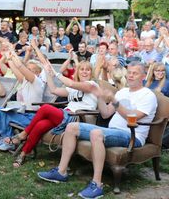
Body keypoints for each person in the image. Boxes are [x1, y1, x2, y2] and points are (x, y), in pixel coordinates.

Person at [38, 62, 157, 199]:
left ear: (143, 76)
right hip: (113, 130)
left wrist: (114, 100)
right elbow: (106, 113)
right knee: (71, 127)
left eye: (134, 73)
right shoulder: (122, 92)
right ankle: (61, 172)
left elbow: (132, 119)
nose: (130, 76)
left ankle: (97, 184)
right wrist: (99, 96)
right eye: (129, 72)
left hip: (132, 135)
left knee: (96, 133)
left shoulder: (148, 95)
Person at [8, 60, 99, 168]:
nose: (84, 72)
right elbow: (54, 90)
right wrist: (47, 72)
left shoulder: (92, 85)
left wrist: (56, 73)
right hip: (66, 116)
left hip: (77, 119)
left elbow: (70, 83)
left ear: (91, 72)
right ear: (78, 72)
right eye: (82, 69)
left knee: (46, 108)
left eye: (87, 70)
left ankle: (23, 134)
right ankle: (23, 155)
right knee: (40, 126)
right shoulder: (74, 89)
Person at [0, 44, 46, 151]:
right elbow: (14, 69)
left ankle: (8, 141)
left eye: (31, 69)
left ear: (37, 72)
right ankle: (2, 137)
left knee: (3, 114)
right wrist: (9, 59)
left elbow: (20, 67)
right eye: (28, 68)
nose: (28, 70)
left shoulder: (37, 81)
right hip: (22, 112)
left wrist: (13, 53)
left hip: (31, 117)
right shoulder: (25, 80)